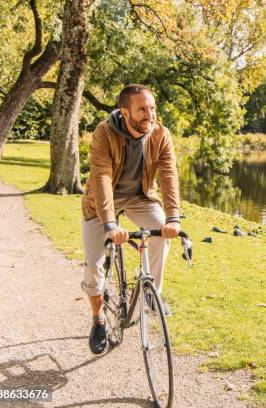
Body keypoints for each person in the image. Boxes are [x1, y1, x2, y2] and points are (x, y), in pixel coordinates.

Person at [80, 84, 180, 354]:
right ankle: (98, 320)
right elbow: (101, 176)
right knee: (94, 269)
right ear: (125, 112)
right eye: (143, 110)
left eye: (152, 108)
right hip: (102, 204)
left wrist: (173, 218)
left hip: (140, 198)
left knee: (161, 233)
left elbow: (168, 175)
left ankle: (151, 293)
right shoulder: (104, 132)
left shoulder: (160, 134)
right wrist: (110, 224)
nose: (150, 115)